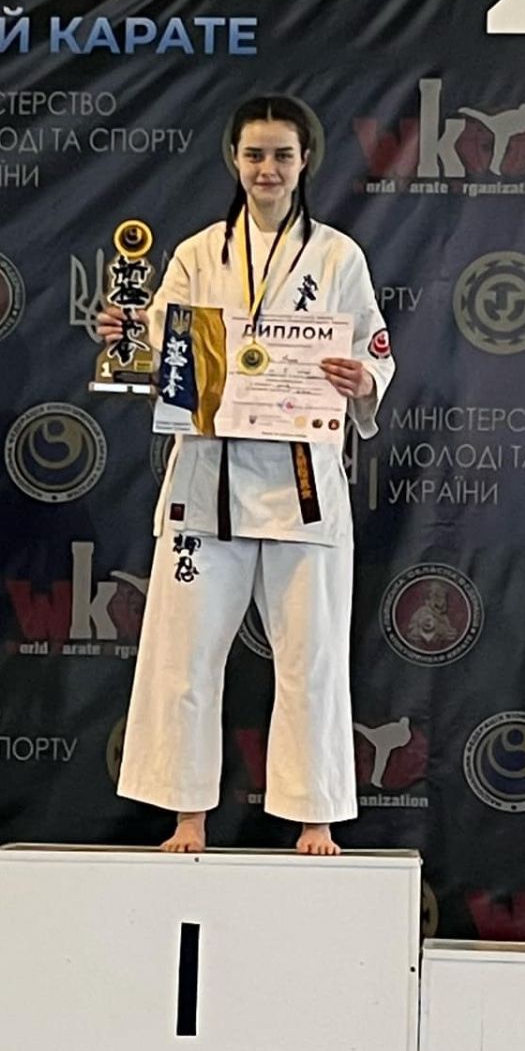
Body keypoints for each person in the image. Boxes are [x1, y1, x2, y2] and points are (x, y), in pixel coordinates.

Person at [98, 96, 395, 856]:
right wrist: (128, 340)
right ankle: (187, 814)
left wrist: (362, 380)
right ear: (234, 160)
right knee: (183, 658)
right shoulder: (197, 255)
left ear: (305, 163)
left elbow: (375, 351)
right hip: (208, 482)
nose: (268, 169)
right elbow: (164, 355)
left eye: (282, 156)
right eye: (255, 155)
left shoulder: (337, 257)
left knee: (311, 658)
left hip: (302, 484)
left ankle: (315, 814)